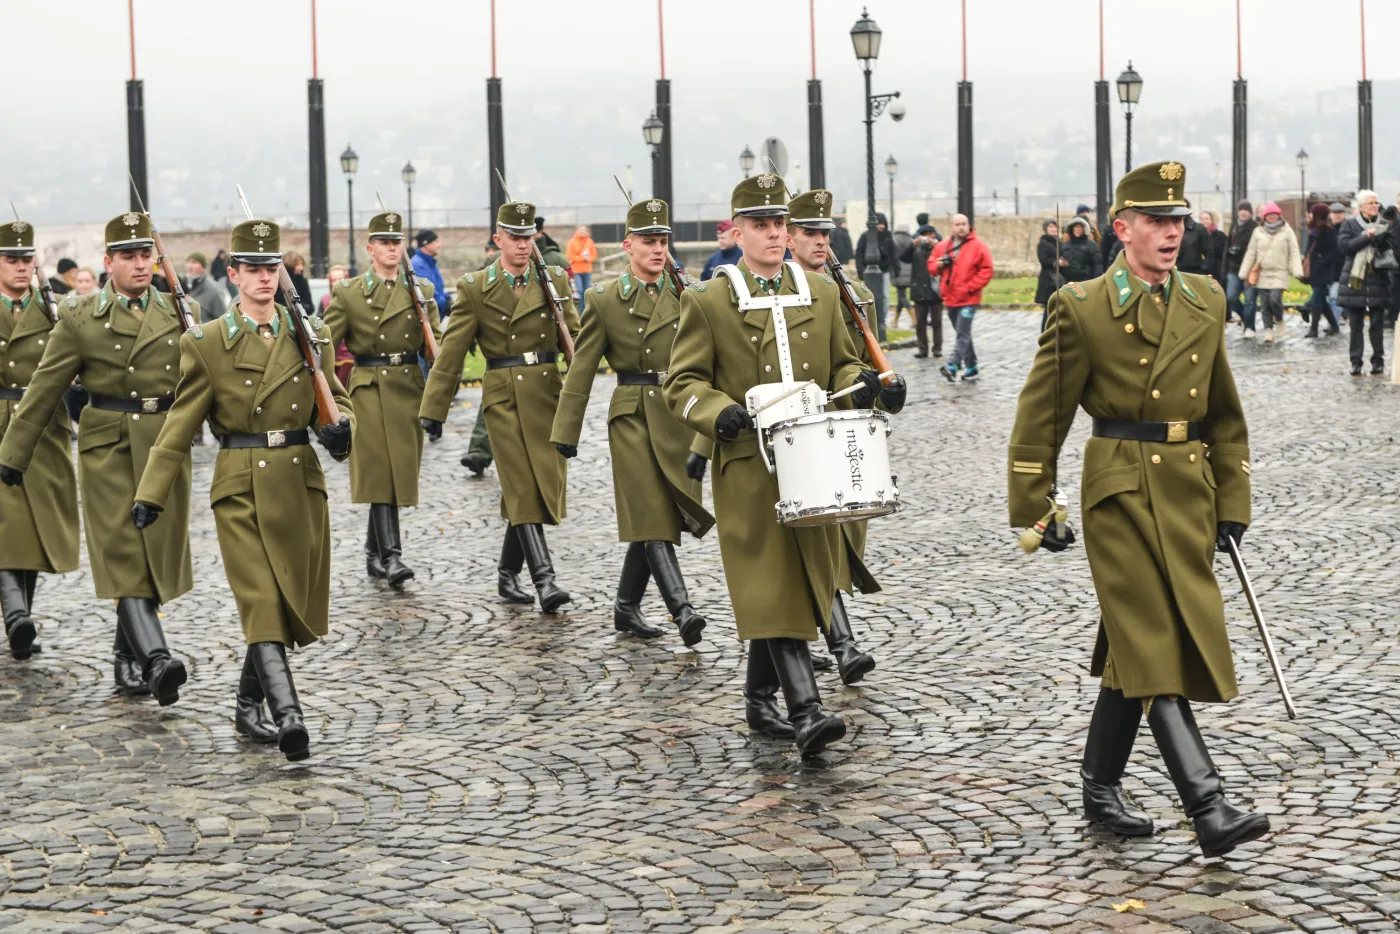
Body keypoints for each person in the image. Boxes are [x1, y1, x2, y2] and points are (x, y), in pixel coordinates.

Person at [1009, 160, 1270, 860]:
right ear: (1120, 229)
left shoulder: (1207, 299)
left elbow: (1224, 412)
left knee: (1138, 646)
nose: (1170, 233)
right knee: (1155, 642)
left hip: (1188, 492)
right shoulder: (1082, 305)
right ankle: (1207, 804)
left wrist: (1232, 498)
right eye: (1155, 221)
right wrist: (1039, 504)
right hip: (1119, 489)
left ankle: (1099, 788)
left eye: (1178, 220)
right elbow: (1043, 416)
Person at [663, 173, 880, 756]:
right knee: (772, 578)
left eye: (780, 224)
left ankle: (760, 700)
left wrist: (857, 386)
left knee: (792, 577)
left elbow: (841, 363)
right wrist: (715, 411)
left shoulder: (823, 291)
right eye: (760, 225)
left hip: (815, 458)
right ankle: (807, 711)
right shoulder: (708, 300)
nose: (774, 235)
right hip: (750, 466)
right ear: (737, 231)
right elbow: (680, 382)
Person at [132, 219, 353, 762]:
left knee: (284, 603)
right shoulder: (206, 343)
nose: (262, 277)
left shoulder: (310, 334)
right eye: (251, 268)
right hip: (241, 485)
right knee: (260, 601)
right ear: (232, 274)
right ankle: (289, 716)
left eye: (270, 268)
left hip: (300, 481)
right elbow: (180, 424)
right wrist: (151, 493)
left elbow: (340, 401)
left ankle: (246, 703)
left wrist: (343, 431)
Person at [0, 212, 196, 703]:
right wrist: (13, 454)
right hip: (107, 445)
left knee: (153, 554)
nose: (138, 264)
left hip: (165, 444)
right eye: (127, 256)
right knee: (123, 551)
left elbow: (208, 385)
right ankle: (155, 659)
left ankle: (123, 656)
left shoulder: (181, 310)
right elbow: (45, 387)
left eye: (145, 254)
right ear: (107, 262)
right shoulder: (80, 316)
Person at [550, 199, 714, 646]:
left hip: (679, 414)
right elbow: (581, 369)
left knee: (656, 516)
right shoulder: (603, 299)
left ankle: (625, 607)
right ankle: (683, 610)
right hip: (632, 413)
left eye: (663, 241)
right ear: (628, 246)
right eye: (648, 242)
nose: (657, 249)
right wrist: (566, 432)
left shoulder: (690, 294)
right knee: (651, 514)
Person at [421, 202, 581, 613]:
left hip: (547, 394)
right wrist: (433, 409)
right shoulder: (476, 287)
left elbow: (577, 339)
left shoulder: (554, 279)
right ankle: (545, 580)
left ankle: (507, 572)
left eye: (528, 237)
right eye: (514, 237)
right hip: (503, 396)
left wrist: (579, 392)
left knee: (540, 486)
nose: (524, 245)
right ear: (498, 240)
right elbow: (452, 351)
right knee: (522, 486)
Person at [785, 188, 907, 684]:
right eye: (810, 232)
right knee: (812, 535)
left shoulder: (856, 292)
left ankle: (799, 641)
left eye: (825, 233)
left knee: (839, 534)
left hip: (847, 430)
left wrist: (886, 393)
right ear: (787, 236)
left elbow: (862, 362)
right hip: (795, 427)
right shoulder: (775, 290)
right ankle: (841, 643)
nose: (820, 241)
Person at [324, 211, 442, 588]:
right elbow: (326, 344)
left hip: (408, 388)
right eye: (385, 243)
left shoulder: (419, 290)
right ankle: (392, 558)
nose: (392, 249)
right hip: (368, 388)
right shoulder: (350, 292)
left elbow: (438, 347)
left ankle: (373, 552)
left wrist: (439, 396)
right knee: (381, 472)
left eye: (397, 243)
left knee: (398, 473)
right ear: (370, 248)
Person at [0, 220, 80, 663]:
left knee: (32, 527)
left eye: (25, 259)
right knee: (6, 522)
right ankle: (15, 615)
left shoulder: (55, 310)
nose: (19, 267)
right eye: (10, 260)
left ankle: (21, 620)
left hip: (43, 427)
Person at [931, 213, 993, 382]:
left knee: (962, 333)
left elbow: (986, 270)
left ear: (969, 225)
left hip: (969, 299)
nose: (961, 227)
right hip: (950, 298)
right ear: (952, 226)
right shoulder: (942, 246)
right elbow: (931, 266)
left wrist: (970, 287)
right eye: (957, 224)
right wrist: (939, 264)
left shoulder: (979, 247)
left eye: (964, 224)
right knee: (962, 333)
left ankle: (953, 365)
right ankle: (971, 366)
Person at [1337, 189, 1393, 376]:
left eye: (1376, 203)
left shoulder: (1385, 225)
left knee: (1377, 323)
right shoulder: (1349, 225)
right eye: (1371, 203)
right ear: (1361, 207)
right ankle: (1356, 361)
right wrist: (1365, 237)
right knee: (1356, 325)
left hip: (1378, 279)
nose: (1375, 206)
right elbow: (1346, 247)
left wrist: (1379, 237)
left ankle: (1378, 360)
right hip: (1356, 280)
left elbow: (1391, 247)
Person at [1238, 202, 1302, 343]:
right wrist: (1244, 272)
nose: (1272, 217)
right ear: (1265, 217)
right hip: (1263, 273)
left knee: (1274, 299)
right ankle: (1268, 330)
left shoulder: (1287, 231)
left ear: (1279, 216)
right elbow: (1251, 253)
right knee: (1265, 304)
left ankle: (1279, 320)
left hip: (1280, 272)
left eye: (1274, 215)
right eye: (1269, 215)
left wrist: (1297, 269)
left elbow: (1294, 251)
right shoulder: (1258, 232)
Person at [903, 222, 943, 357]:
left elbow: (948, 258)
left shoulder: (939, 247)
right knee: (921, 322)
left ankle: (937, 348)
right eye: (925, 236)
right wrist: (913, 245)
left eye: (930, 235)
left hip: (935, 289)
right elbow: (903, 257)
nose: (928, 238)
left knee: (937, 321)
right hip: (919, 289)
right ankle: (923, 348)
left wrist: (936, 246)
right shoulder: (915, 249)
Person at [854, 213, 895, 341]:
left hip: (884, 270)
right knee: (871, 297)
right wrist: (860, 270)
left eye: (883, 224)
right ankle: (874, 321)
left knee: (885, 297)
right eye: (879, 224)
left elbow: (893, 253)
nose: (882, 226)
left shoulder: (887, 236)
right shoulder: (866, 236)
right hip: (870, 271)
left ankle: (881, 321)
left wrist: (894, 267)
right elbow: (859, 253)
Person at [1302, 203, 1341, 338]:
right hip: (1314, 269)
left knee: (1318, 300)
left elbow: (1335, 252)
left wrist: (1322, 260)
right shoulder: (1314, 228)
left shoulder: (1328, 230)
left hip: (1323, 271)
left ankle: (1314, 328)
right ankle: (1334, 326)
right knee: (1321, 300)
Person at [1225, 201, 1258, 329]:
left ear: (1250, 213)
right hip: (1234, 268)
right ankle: (1245, 316)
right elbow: (1227, 247)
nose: (1243, 212)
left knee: (1250, 300)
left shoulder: (1255, 228)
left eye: (1246, 210)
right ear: (1238, 212)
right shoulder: (1234, 226)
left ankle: (1250, 327)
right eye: (1241, 210)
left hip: (1250, 270)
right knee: (1230, 298)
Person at [410, 230, 450, 320]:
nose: (439, 245)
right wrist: (446, 304)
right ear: (426, 244)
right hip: (428, 319)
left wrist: (448, 298)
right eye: (436, 242)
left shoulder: (429, 262)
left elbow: (438, 288)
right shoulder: (418, 265)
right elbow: (429, 293)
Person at [185, 251, 229, 322]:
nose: (190, 266)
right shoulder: (182, 286)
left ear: (203, 267)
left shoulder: (214, 291)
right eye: (188, 262)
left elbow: (223, 320)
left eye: (194, 262)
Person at [1063, 217, 1104, 284]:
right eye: (1076, 227)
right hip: (1069, 282)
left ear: (1084, 229)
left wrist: (1096, 281)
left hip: (1086, 281)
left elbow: (1098, 264)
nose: (1078, 229)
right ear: (1072, 228)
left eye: (1080, 227)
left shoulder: (1092, 245)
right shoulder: (1065, 246)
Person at [1034, 220, 1062, 312]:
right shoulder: (1043, 243)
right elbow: (1044, 260)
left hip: (1058, 278)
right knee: (1049, 309)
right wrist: (1056, 262)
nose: (1053, 229)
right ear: (1046, 229)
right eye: (1050, 227)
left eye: (1055, 226)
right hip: (1048, 279)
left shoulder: (1059, 242)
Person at [565, 225, 597, 301]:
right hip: (576, 270)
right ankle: (581, 309)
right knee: (579, 290)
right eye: (580, 230)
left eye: (583, 230)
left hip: (587, 270)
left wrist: (588, 259)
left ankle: (585, 309)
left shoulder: (589, 241)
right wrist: (583, 258)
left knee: (587, 291)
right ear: (577, 231)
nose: (582, 232)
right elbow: (570, 256)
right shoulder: (572, 242)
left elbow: (594, 255)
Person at [889, 226, 913, 329]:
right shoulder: (911, 240)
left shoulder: (894, 240)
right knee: (901, 296)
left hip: (897, 271)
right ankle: (895, 320)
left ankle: (914, 316)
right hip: (910, 271)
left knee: (902, 296)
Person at [1176, 210, 1211, 275]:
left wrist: (1204, 268)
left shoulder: (1199, 229)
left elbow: (1209, 252)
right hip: (1175, 271)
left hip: (1195, 271)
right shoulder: (1172, 228)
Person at [1200, 211, 1228, 285]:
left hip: (1217, 269)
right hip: (1201, 269)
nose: (1204, 221)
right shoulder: (1197, 234)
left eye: (1206, 219)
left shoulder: (1220, 235)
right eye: (1202, 219)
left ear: (1212, 220)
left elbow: (1223, 253)